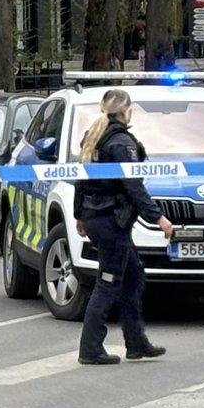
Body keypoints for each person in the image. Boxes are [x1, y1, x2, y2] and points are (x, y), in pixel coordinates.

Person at [72, 89, 175, 365]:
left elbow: (80, 180)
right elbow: (133, 186)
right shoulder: (120, 143)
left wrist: (80, 215)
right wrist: (159, 218)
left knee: (133, 277)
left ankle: (136, 342)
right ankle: (90, 349)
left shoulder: (93, 136)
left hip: (98, 218)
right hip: (110, 220)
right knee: (108, 284)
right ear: (126, 110)